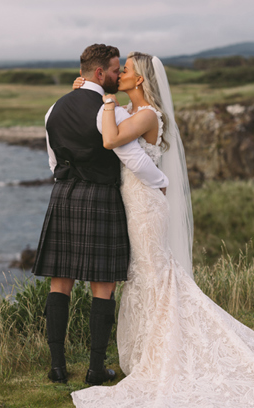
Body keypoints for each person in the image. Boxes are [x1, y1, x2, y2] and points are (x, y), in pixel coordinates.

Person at [69, 52, 254, 408]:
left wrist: (103, 100)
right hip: (135, 201)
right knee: (146, 273)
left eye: (125, 70)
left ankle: (165, 350)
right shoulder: (133, 110)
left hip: (145, 206)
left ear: (140, 79)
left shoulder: (146, 115)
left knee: (154, 272)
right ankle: (150, 350)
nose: (119, 73)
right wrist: (90, 91)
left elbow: (109, 140)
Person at [32, 44, 169, 387]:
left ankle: (57, 367)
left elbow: (52, 160)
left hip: (63, 195)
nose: (117, 74)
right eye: (113, 69)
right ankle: (95, 368)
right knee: (102, 285)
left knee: (59, 281)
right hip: (102, 197)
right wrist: (163, 183)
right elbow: (134, 160)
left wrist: (68, 180)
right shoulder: (114, 113)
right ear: (99, 74)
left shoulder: (54, 108)